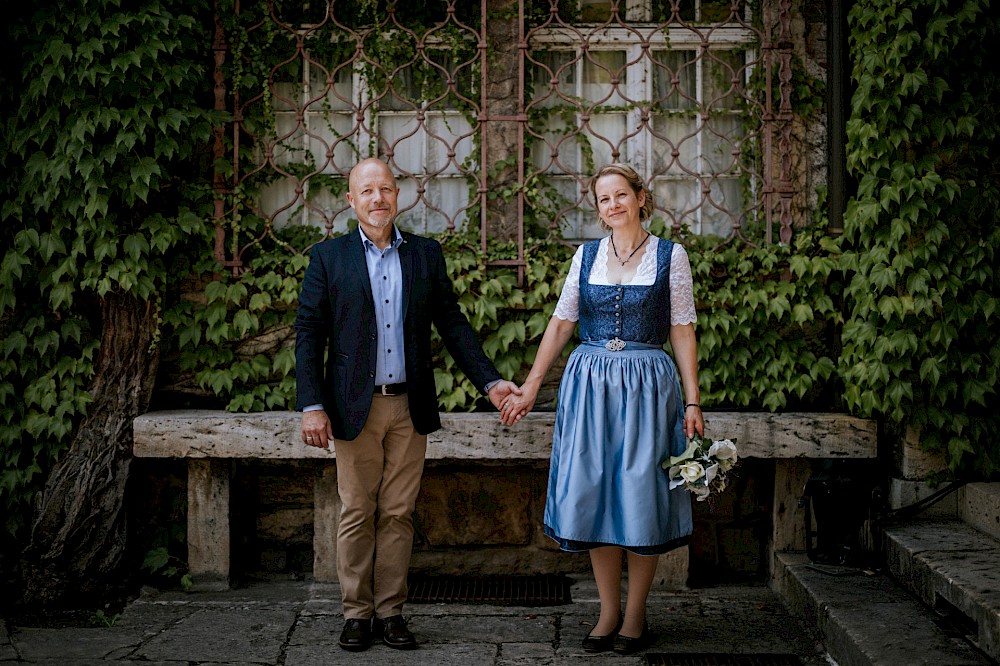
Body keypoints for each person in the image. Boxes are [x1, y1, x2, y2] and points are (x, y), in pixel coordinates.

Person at [295, 157, 520, 652]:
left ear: (399, 196)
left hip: (408, 406)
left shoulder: (424, 255)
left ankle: (391, 612)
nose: (378, 198)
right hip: (354, 409)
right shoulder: (329, 258)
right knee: (357, 511)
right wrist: (312, 404)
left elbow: (453, 324)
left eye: (387, 189)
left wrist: (491, 383)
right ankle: (356, 614)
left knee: (398, 512)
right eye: (367, 191)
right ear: (351, 200)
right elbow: (309, 334)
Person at [499, 163, 704, 656]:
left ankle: (635, 618)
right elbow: (561, 323)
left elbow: (681, 329)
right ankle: (607, 613)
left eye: (620, 195)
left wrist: (693, 400)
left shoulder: (671, 257)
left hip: (647, 389)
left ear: (639, 198)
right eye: (603, 200)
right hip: (589, 386)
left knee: (639, 494)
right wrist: (529, 387)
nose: (612, 205)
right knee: (595, 494)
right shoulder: (586, 256)